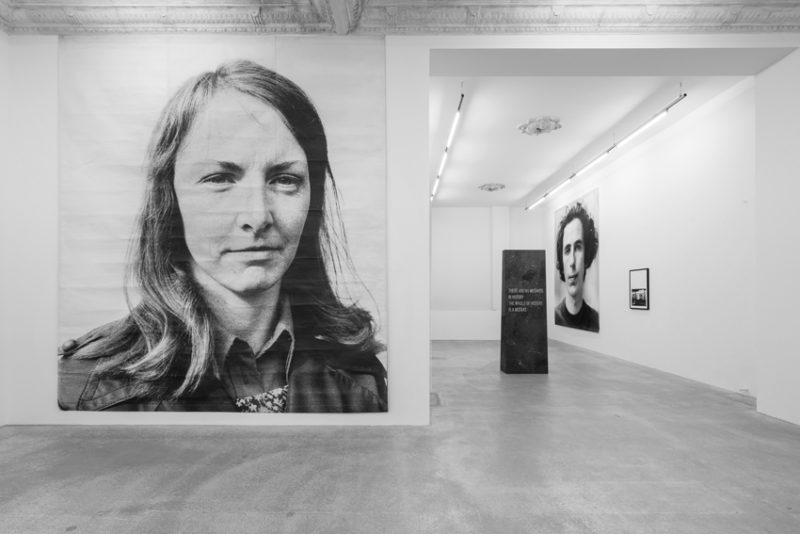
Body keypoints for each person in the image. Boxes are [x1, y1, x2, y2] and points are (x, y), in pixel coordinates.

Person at [58, 60, 387, 412]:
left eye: (285, 179)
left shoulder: (359, 374)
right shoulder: (86, 388)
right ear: (170, 198)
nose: (257, 216)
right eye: (219, 179)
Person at [554, 201, 599, 332]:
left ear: (587, 255)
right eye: (567, 250)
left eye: (578, 247)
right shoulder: (554, 316)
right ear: (561, 260)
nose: (572, 261)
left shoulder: (595, 321)